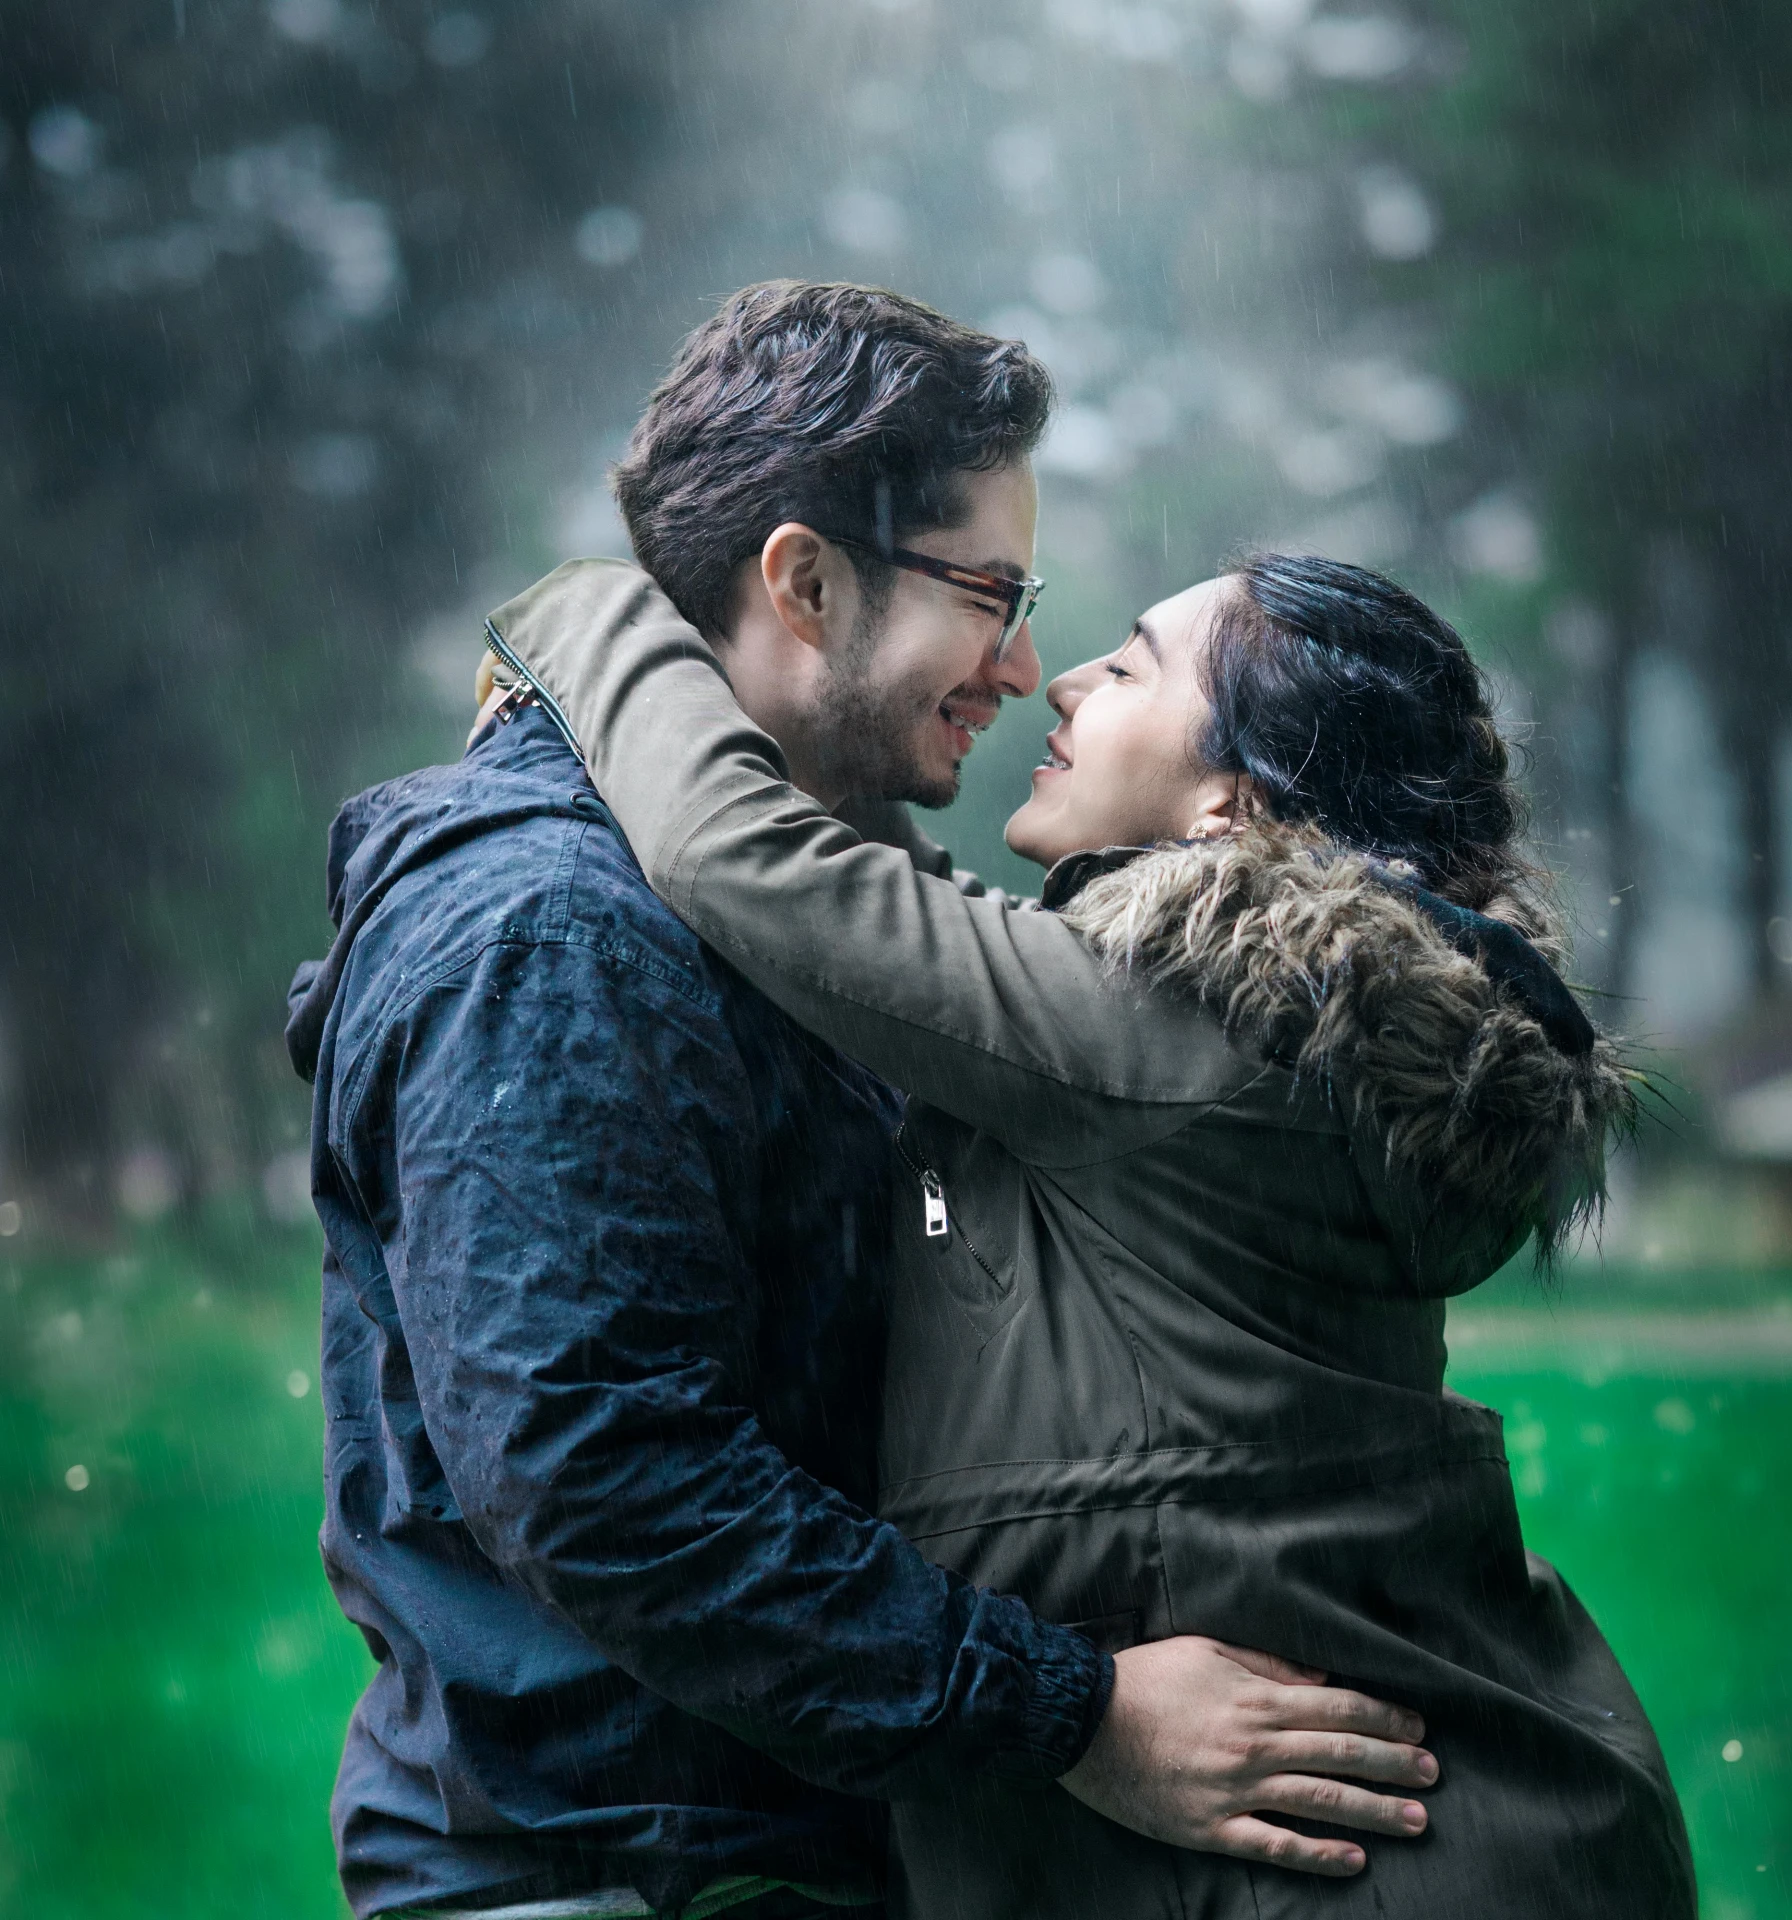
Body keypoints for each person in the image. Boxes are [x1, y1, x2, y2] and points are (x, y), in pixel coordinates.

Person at [285, 282, 1437, 1920]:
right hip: (618, 1876)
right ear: (805, 582)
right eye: (992, 594)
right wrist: (1076, 1714)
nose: (1027, 665)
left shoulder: (805, 927)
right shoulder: (554, 935)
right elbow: (613, 1482)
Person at [485, 535, 1700, 1917]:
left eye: (1126, 666)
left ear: (1230, 805)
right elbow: (903, 925)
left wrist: (591, 608)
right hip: (1458, 1841)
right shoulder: (1289, 1041)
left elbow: (741, 858)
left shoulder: (1159, 1036)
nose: (1060, 682)